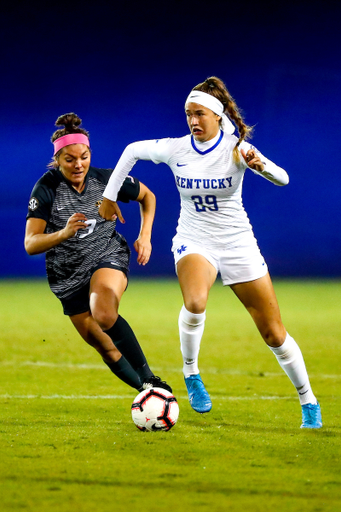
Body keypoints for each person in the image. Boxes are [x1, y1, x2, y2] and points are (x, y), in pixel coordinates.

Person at [98, 77, 322, 429]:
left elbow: (284, 179)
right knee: (196, 301)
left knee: (274, 334)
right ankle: (191, 374)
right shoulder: (176, 149)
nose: (193, 121)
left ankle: (308, 400)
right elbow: (131, 151)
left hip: (237, 243)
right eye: (188, 114)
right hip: (194, 240)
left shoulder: (237, 148)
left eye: (199, 113)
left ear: (217, 115)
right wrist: (109, 196)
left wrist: (261, 167)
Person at [24, 113, 172, 394]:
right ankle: (150, 395)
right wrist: (63, 233)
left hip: (106, 255)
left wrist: (145, 235)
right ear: (57, 160)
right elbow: (31, 243)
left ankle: (151, 379)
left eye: (84, 156)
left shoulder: (107, 180)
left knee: (103, 313)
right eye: (70, 159)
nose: (78, 164)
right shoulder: (46, 188)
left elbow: (147, 196)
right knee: (102, 343)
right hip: (66, 274)